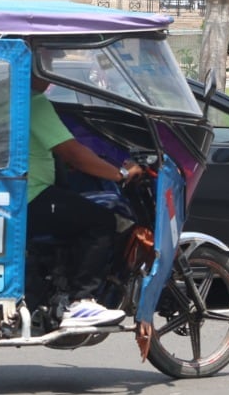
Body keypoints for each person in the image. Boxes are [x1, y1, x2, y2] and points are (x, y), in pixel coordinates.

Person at [28, 67, 151, 338]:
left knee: (77, 210)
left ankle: (59, 289)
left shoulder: (11, 98)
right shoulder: (33, 103)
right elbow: (74, 153)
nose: (49, 73)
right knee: (101, 220)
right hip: (31, 195)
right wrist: (119, 174)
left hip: (19, 194)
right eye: (42, 64)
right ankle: (80, 302)